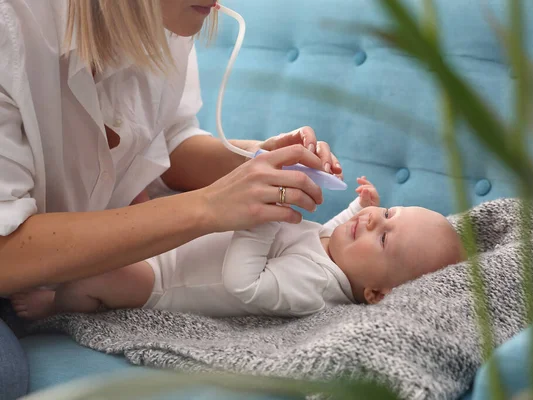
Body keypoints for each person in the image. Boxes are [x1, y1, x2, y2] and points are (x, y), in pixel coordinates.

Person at [0, 0, 343, 397]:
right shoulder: (12, 26)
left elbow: (166, 144)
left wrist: (259, 162)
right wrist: (206, 207)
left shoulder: (169, 22)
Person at [11, 178, 466, 319]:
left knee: (97, 276)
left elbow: (243, 284)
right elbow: (327, 231)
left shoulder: (313, 288)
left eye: (383, 235)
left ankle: (55, 304)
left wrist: (260, 220)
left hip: (163, 283)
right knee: (132, 199)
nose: (372, 221)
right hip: (180, 242)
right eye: (389, 213)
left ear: (375, 293)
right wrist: (358, 208)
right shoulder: (337, 251)